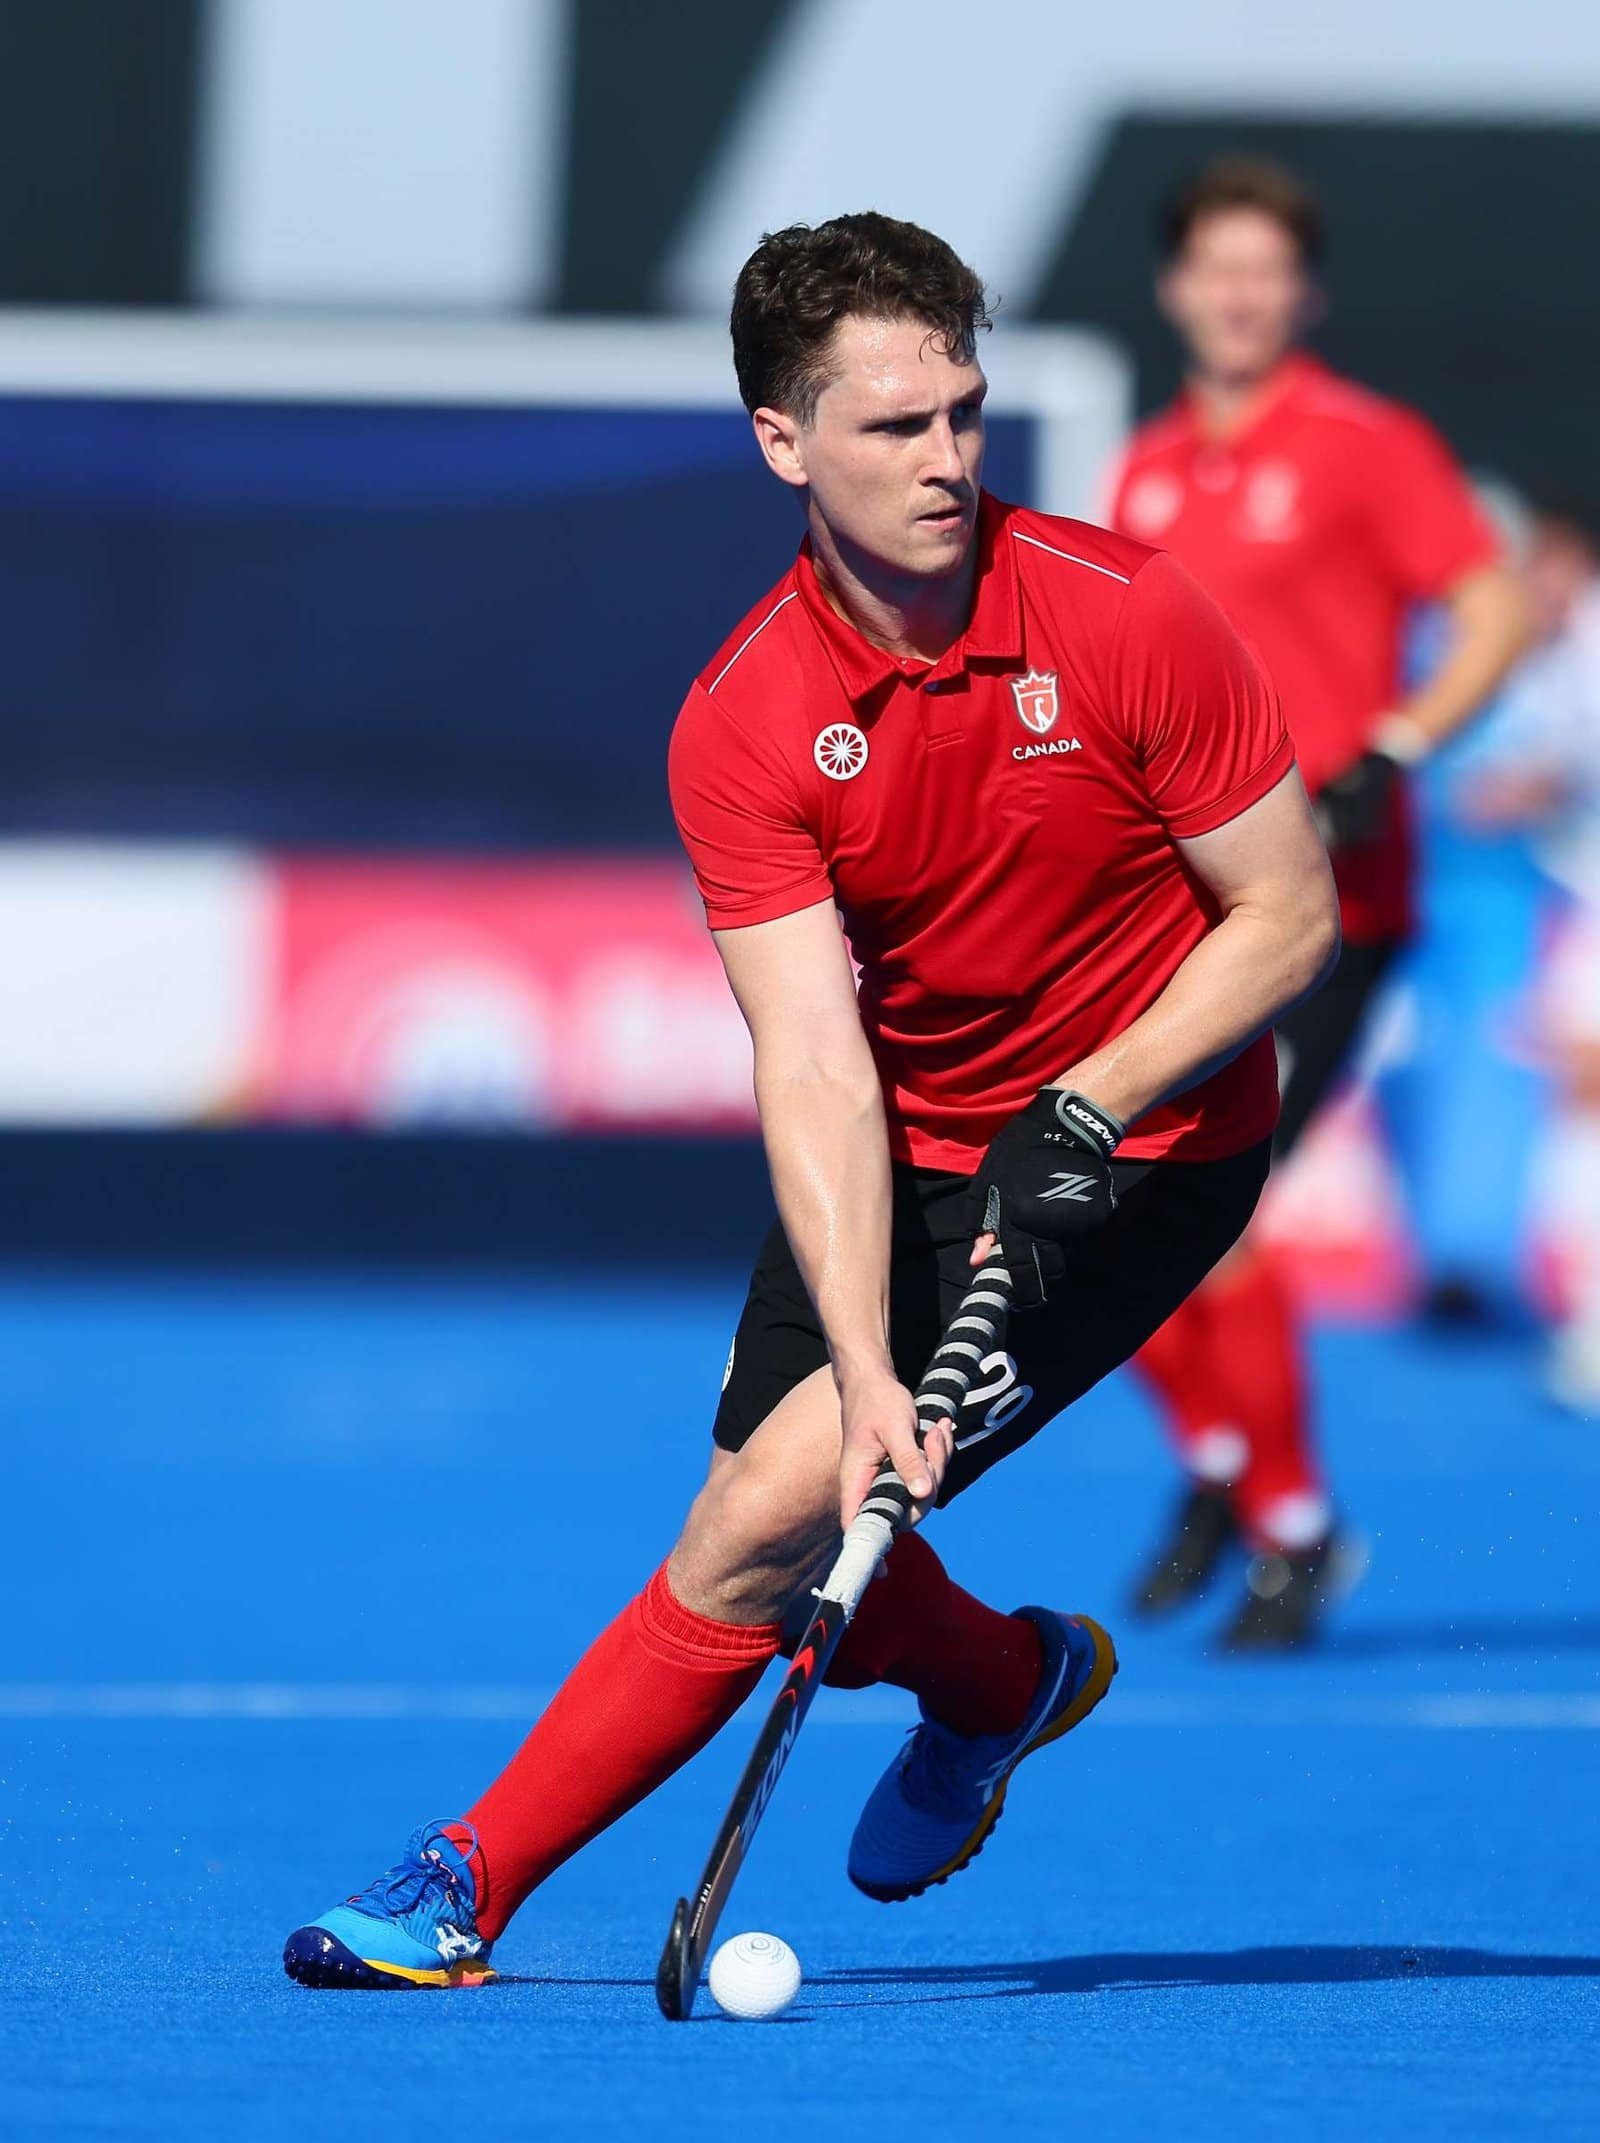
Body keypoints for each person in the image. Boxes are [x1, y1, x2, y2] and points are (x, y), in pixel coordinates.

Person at [282, 211, 1339, 1988]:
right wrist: (863, 1365)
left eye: (964, 415)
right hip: (914, 1139)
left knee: (765, 1525)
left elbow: (1285, 912)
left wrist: (1094, 1097)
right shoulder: (749, 721)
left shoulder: (1124, 615)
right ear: (782, 441)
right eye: (893, 427)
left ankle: (466, 1883)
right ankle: (1009, 1679)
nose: (949, 461)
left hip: (1149, 1144)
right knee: (786, 1514)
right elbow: (817, 1058)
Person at [1106, 159, 1528, 1648]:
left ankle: (1290, 1523)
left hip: (1326, 904)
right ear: (1174, 289)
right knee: (1093, 1194)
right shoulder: (1148, 468)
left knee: (1207, 1207)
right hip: (1174, 896)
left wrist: (1398, 743)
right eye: (1213, 267)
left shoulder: (1363, 444)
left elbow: (1494, 606)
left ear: (1306, 292)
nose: (1237, 294)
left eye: (1264, 270)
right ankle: (1231, 1464)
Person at [1463, 503, 1600, 1408]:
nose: (1526, 589)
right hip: (1580, 906)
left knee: (1582, 1101)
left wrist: (1517, 789)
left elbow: (1542, 777)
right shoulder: (1555, 661)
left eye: (1539, 568)